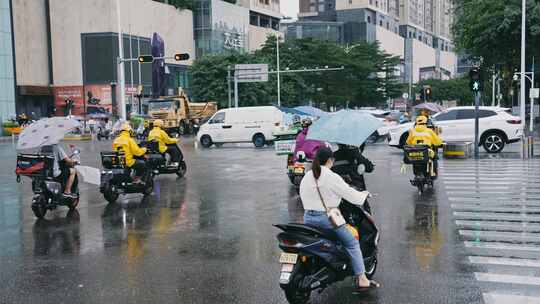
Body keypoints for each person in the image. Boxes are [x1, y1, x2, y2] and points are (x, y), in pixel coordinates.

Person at [300, 147, 380, 290]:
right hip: (327, 219)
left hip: (308, 218)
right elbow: (352, 196)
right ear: (330, 160)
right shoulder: (331, 176)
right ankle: (362, 279)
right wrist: (364, 194)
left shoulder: (307, 175)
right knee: (352, 243)